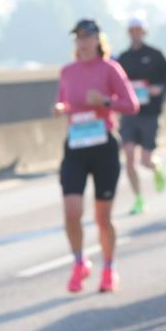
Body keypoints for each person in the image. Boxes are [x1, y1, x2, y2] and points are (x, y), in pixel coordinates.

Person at [52, 19, 140, 293]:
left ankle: (109, 268)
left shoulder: (110, 68)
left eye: (87, 37)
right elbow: (65, 100)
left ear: (98, 40)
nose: (83, 42)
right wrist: (60, 107)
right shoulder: (67, 71)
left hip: (103, 147)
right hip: (76, 146)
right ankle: (80, 263)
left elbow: (131, 105)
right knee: (71, 213)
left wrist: (105, 101)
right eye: (78, 37)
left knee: (103, 217)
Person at [116, 18, 166, 215]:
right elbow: (115, 83)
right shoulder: (122, 57)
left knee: (145, 160)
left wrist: (160, 88)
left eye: (138, 30)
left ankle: (157, 166)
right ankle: (138, 198)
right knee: (129, 155)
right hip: (129, 114)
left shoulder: (155, 54)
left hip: (150, 113)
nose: (135, 33)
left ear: (144, 32)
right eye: (132, 30)